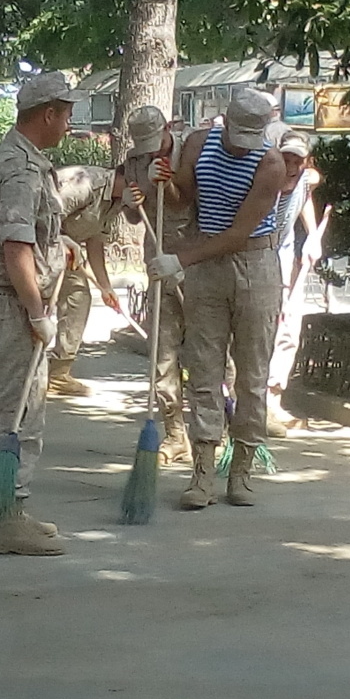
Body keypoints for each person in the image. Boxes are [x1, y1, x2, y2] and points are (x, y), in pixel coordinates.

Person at [149, 87, 284, 510]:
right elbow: (183, 198)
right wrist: (162, 180)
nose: (242, 147)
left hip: (255, 264)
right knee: (203, 370)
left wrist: (180, 259)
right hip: (207, 265)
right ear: (225, 120)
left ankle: (241, 470)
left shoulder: (271, 163)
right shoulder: (198, 143)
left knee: (252, 374)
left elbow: (239, 234)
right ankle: (202, 471)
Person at [0, 71, 85, 556]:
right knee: (15, 414)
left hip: (8, 302)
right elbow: (15, 246)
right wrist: (37, 312)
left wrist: (59, 245)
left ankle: (6, 507)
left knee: (8, 409)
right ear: (48, 114)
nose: (69, 125)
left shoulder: (24, 159)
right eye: (67, 114)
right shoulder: (19, 168)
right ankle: (5, 518)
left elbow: (31, 235)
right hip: (11, 306)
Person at [120, 105, 195, 464]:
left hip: (193, 260)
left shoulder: (191, 150)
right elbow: (134, 216)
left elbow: (189, 201)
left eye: (155, 143)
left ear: (167, 128)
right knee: (162, 356)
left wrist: (166, 181)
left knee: (209, 351)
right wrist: (132, 201)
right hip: (157, 260)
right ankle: (176, 434)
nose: (150, 153)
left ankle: (216, 429)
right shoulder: (134, 161)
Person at [48, 163, 137, 396]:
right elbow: (46, 216)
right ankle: (21, 371)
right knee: (35, 304)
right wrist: (61, 241)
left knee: (78, 298)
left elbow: (95, 242)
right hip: (39, 244)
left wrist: (106, 288)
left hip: (69, 252)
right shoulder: (87, 183)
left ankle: (58, 373)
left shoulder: (116, 202)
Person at [266, 127, 323, 432]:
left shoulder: (304, 179)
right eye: (285, 158)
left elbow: (306, 193)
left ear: (306, 161)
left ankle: (273, 400)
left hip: (286, 260)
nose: (290, 166)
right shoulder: (265, 180)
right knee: (263, 330)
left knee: (289, 329)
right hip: (258, 260)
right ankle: (249, 402)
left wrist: (313, 236)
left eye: (296, 161)